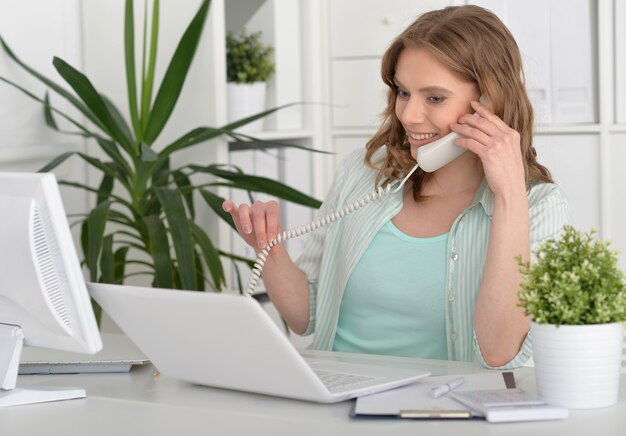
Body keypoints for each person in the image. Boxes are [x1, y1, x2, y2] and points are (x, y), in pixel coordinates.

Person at [222, 5, 569, 369]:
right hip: (335, 402)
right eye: (404, 92)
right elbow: (307, 316)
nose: (409, 115)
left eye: (434, 98)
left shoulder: (538, 207)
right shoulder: (362, 173)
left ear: (490, 101)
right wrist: (271, 251)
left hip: (442, 416)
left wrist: (509, 193)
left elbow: (500, 352)